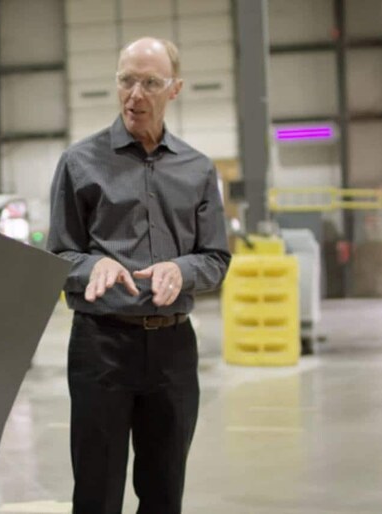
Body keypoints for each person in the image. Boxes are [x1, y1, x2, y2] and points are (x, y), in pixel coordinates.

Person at [47, 37, 231, 514]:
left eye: (151, 82)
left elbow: (215, 258)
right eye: (126, 80)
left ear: (175, 89)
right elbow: (59, 255)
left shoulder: (197, 169)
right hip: (100, 346)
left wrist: (181, 268)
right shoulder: (79, 163)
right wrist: (93, 264)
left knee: (165, 490)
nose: (136, 94)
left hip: (172, 349)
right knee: (97, 490)